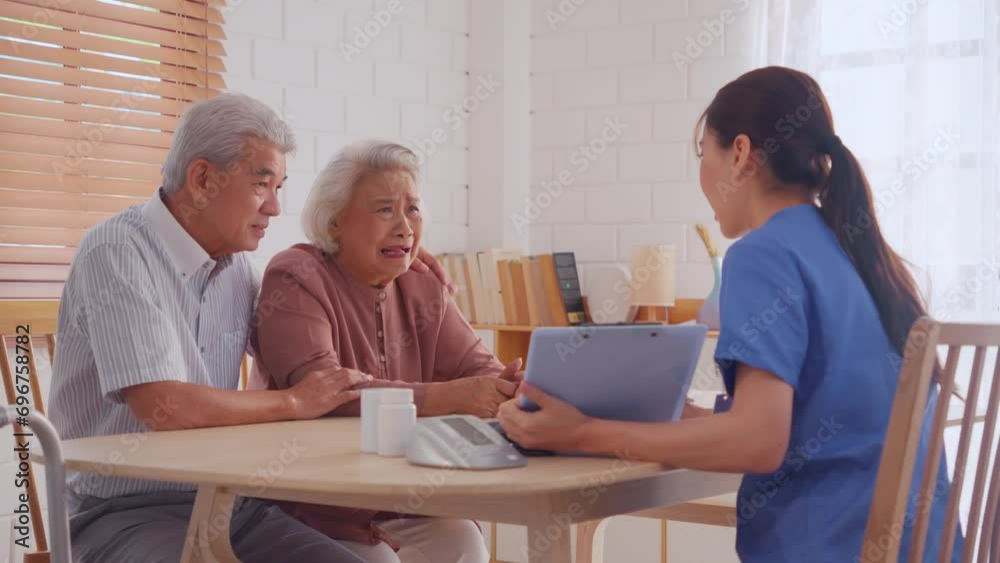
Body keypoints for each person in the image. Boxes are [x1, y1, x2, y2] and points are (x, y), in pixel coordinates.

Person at [498, 66, 962, 563]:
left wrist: (581, 434)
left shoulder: (765, 253)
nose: (702, 174)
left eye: (704, 154)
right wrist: (689, 417)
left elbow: (759, 440)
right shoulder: (859, 254)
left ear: (740, 154)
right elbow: (822, 415)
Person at [47, 93, 450, 563]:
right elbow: (165, 406)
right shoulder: (116, 252)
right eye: (263, 185)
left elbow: (295, 330)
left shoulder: (236, 268)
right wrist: (296, 402)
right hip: (115, 512)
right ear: (202, 180)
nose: (275, 208)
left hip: (225, 503)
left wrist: (383, 271)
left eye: (279, 188)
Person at [251, 140, 518, 563]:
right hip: (313, 500)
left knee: (463, 541)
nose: (405, 227)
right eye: (384, 210)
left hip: (400, 496)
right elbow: (322, 392)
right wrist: (447, 397)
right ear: (335, 220)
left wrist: (510, 386)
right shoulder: (296, 275)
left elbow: (478, 366)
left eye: (412, 209)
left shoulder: (421, 282)